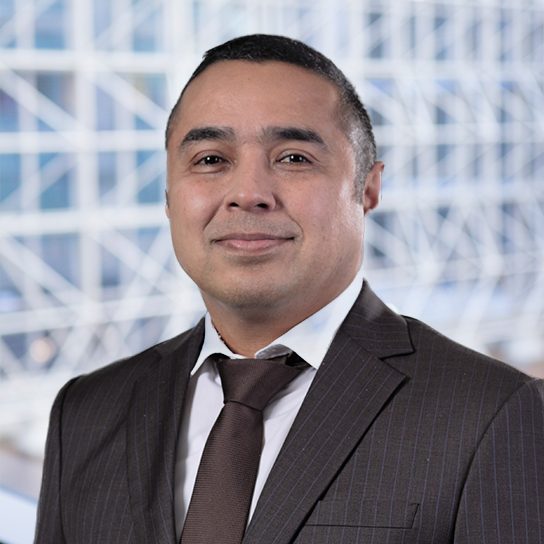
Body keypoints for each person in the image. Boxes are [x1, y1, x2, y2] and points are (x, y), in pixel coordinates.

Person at [35, 34, 544, 544]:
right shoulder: (85, 412)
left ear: (368, 188)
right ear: (169, 197)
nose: (248, 194)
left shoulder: (493, 414)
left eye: (294, 158)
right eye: (210, 160)